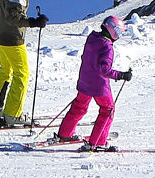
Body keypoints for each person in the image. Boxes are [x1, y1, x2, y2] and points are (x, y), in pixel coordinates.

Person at [54, 12, 133, 148]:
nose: (119, 36)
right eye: (119, 32)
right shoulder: (107, 47)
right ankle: (98, 142)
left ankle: (65, 133)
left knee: (79, 106)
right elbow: (104, 70)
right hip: (99, 87)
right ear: (113, 31)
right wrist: (121, 75)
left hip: (85, 81)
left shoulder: (92, 38)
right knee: (107, 110)